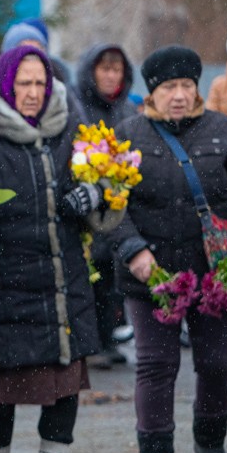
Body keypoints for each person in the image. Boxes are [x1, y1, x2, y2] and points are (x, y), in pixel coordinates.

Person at [114, 46, 227, 453]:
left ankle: (211, 441)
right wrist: (133, 251)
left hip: (215, 272)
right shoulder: (128, 135)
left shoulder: (221, 130)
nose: (179, 95)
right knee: (156, 364)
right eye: (168, 88)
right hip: (151, 274)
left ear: (197, 88)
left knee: (219, 363)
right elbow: (111, 204)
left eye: (186, 86)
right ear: (152, 93)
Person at [0, 45, 99, 453]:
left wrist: (92, 195)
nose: (33, 92)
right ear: (5, 84)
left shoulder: (68, 130)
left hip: (62, 278)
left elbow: (101, 185)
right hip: (2, 279)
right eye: (23, 83)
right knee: (1, 385)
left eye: (40, 83)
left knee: (64, 381)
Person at [76, 44, 139, 368]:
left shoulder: (128, 110)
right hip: (87, 200)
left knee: (115, 271)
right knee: (92, 272)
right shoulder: (79, 106)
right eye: (105, 69)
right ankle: (91, 341)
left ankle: (109, 335)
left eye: (117, 70)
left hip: (119, 202)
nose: (111, 76)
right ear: (92, 72)